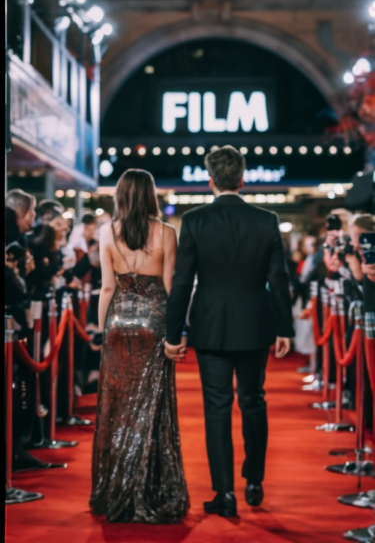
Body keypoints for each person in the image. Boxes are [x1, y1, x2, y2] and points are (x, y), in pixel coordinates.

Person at [165, 146, 294, 518]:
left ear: (210, 181)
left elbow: (181, 283)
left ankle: (224, 493)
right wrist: (284, 327)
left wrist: (173, 334)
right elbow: (278, 279)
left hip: (210, 326)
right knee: (253, 401)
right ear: (242, 179)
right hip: (255, 325)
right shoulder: (267, 219)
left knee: (217, 409)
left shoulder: (194, 221)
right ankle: (254, 480)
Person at [90, 169, 189, 523]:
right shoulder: (165, 232)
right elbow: (170, 287)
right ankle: (150, 489)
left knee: (117, 411)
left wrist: (104, 332)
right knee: (153, 409)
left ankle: (116, 490)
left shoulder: (106, 232)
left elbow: (106, 289)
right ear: (150, 195)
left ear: (120, 196)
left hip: (117, 324)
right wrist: (177, 333)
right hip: (154, 326)